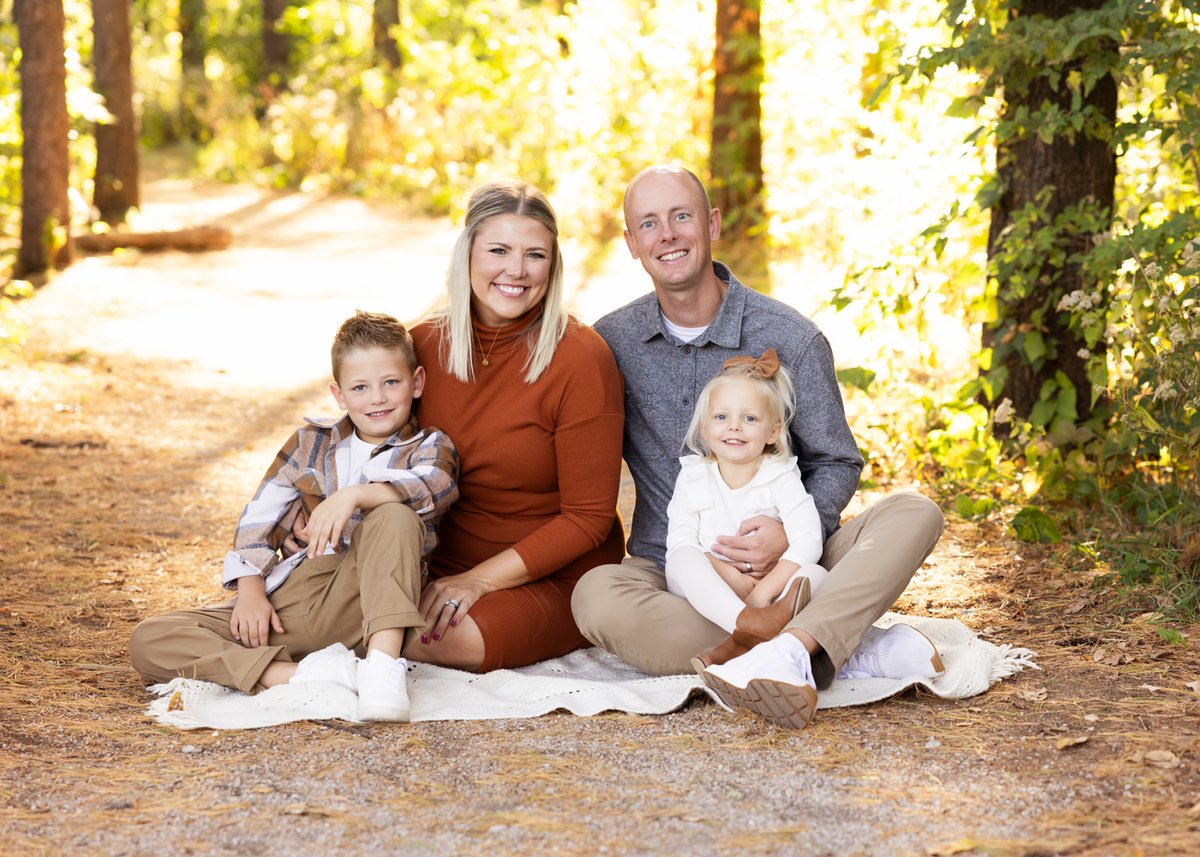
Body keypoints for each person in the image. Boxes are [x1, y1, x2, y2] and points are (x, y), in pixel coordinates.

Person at [571, 165, 946, 730]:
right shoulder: (610, 342)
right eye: (648, 223)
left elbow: (836, 460)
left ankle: (784, 648)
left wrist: (791, 533)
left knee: (914, 512)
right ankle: (827, 643)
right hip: (680, 571)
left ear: (712, 224)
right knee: (595, 596)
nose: (667, 234)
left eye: (681, 216)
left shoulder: (791, 336)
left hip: (798, 562)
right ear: (631, 243)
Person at [129, 311, 459, 722]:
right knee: (151, 638)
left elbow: (435, 486)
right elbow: (258, 520)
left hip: (366, 601)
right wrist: (251, 591)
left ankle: (381, 670)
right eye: (360, 387)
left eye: (391, 382)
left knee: (395, 515)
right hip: (295, 600)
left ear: (417, 382)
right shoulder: (310, 442)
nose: (377, 397)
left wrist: (355, 495)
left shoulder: (429, 446)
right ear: (339, 395)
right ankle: (304, 675)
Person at [402, 179, 626, 672]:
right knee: (324, 601)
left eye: (535, 255)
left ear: (553, 266)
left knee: (450, 639)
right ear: (467, 253)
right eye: (498, 250)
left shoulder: (581, 359)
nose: (517, 270)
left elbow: (588, 518)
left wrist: (479, 580)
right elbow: (366, 445)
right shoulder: (420, 346)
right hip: (436, 564)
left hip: (553, 574)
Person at [665, 348, 829, 675]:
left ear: (773, 432)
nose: (734, 427)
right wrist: (731, 577)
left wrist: (763, 592)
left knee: (816, 576)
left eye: (749, 418)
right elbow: (681, 541)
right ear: (704, 427)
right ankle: (752, 627)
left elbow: (809, 539)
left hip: (768, 592)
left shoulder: (780, 475)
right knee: (681, 560)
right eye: (721, 417)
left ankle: (751, 635)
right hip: (710, 585)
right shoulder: (694, 475)